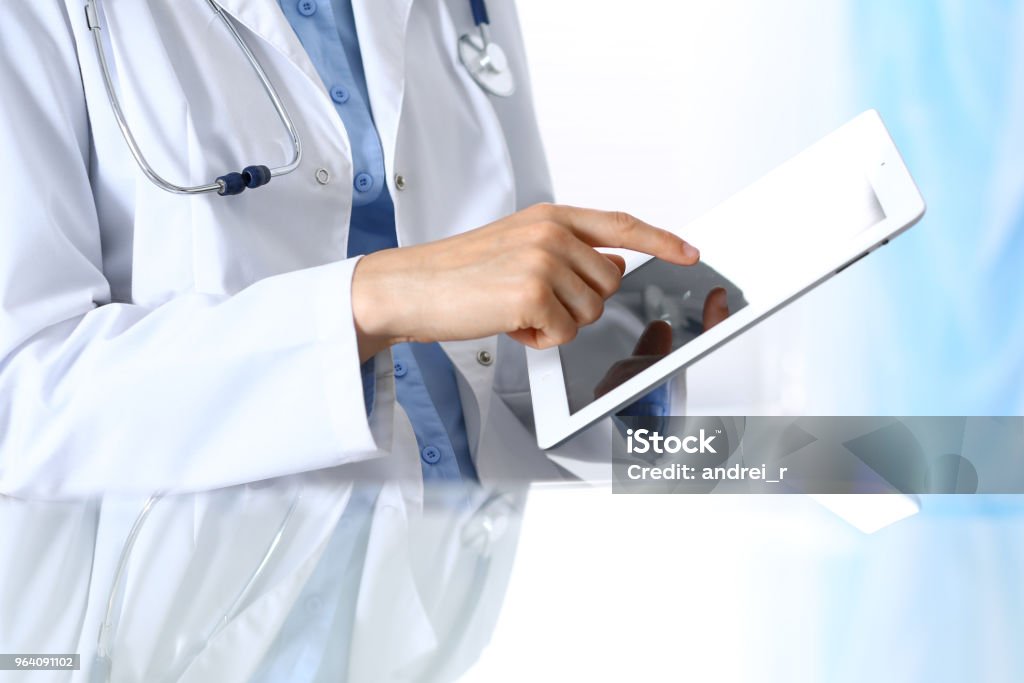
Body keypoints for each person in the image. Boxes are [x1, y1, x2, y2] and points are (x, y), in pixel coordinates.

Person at [0, 2, 703, 679]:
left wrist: (632, 375)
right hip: (202, 619)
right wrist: (377, 298)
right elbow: (22, 398)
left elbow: (494, 330)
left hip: (453, 604)